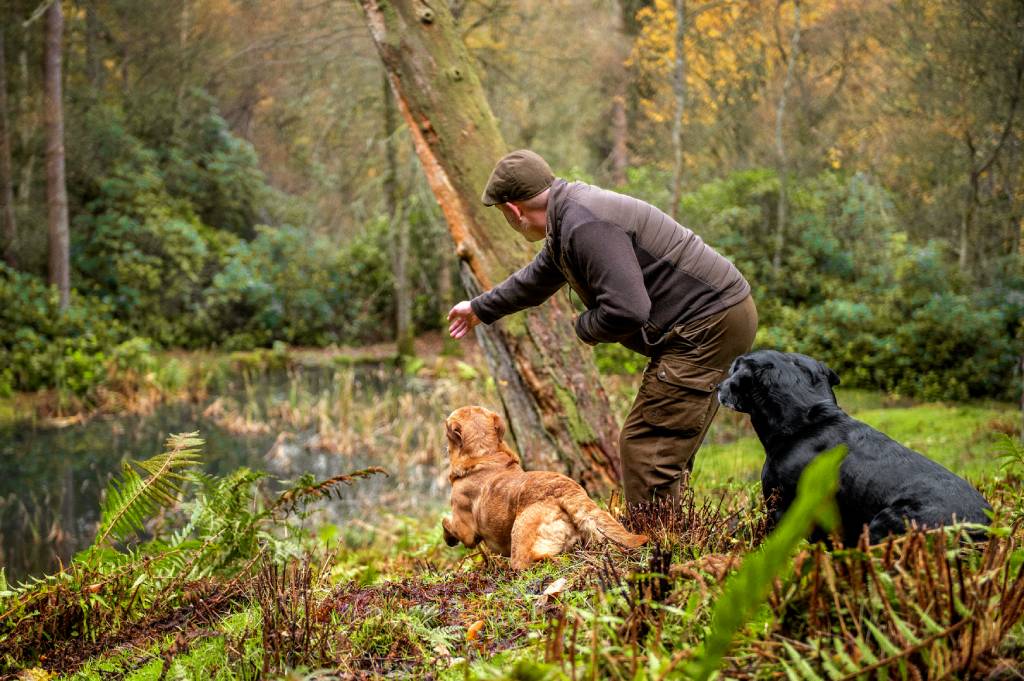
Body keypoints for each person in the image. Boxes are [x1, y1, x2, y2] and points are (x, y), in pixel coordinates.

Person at [447, 149, 757, 507]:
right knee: (665, 444)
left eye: (503, 213)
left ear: (514, 210)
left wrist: (584, 328)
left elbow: (628, 310)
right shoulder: (569, 217)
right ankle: (675, 538)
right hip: (718, 317)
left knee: (645, 447)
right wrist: (479, 308)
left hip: (708, 324)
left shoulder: (584, 225)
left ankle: (655, 550)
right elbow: (536, 279)